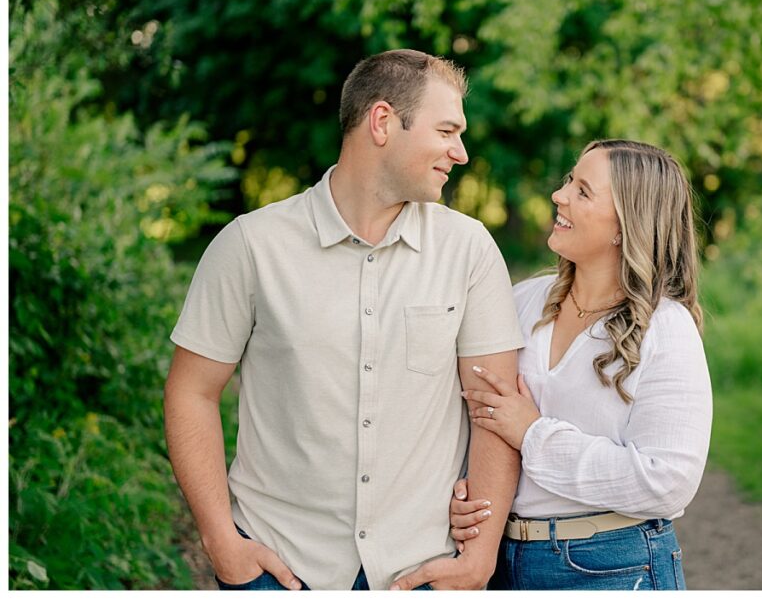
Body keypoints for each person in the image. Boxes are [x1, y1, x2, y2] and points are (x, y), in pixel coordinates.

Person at [163, 49, 524, 590]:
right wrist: (219, 538)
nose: (461, 152)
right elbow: (191, 392)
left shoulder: (469, 250)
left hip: (424, 569)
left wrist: (480, 554)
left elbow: (495, 409)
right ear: (383, 121)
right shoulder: (251, 246)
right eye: (447, 130)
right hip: (280, 567)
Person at [419, 139, 713, 591]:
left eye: (583, 191)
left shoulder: (666, 329)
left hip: (610, 565)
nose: (559, 195)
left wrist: (534, 434)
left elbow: (668, 482)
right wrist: (466, 488)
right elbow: (478, 419)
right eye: (567, 182)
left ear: (625, 225)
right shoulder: (521, 302)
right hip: (501, 561)